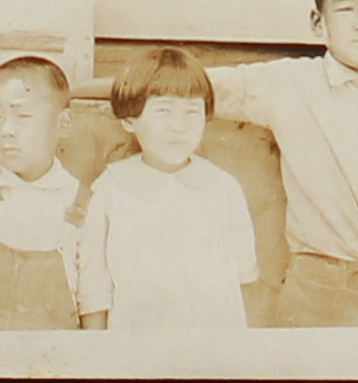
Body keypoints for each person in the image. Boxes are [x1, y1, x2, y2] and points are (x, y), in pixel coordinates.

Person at [73, 0, 358, 327]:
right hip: (322, 288)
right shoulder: (287, 84)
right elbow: (178, 86)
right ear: (317, 22)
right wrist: (68, 89)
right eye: (346, 9)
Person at [79, 47, 259, 328]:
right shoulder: (110, 189)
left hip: (214, 351)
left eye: (192, 112)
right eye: (163, 111)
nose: (179, 126)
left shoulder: (223, 188)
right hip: (137, 351)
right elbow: (93, 286)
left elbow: (245, 278)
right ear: (129, 119)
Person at [0, 56, 109, 330]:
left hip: (56, 363)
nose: (7, 131)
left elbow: (93, 298)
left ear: (63, 123)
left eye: (23, 117)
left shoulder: (83, 205)